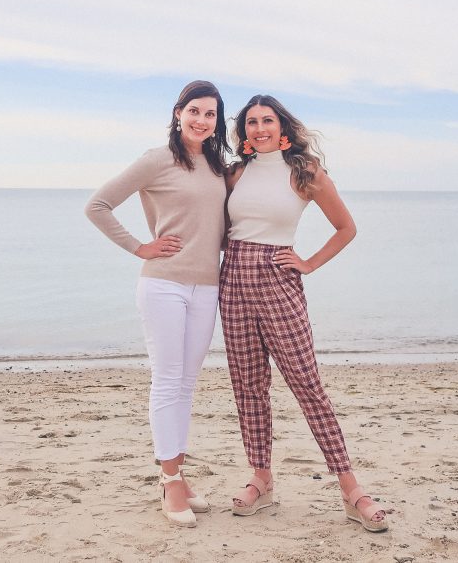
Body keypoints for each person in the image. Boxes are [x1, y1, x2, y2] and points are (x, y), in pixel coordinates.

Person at [220, 94, 388, 532]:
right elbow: (219, 230)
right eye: (251, 122)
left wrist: (309, 263)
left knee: (307, 384)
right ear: (244, 135)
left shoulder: (305, 171)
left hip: (279, 279)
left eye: (267, 120)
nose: (259, 128)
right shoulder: (235, 173)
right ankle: (261, 477)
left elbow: (346, 228)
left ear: (283, 129)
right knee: (249, 384)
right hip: (233, 278)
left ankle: (352, 489)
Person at [84, 80, 230, 528]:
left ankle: (179, 475)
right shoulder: (156, 159)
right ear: (177, 112)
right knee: (168, 382)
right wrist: (139, 247)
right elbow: (98, 205)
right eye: (195, 111)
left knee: (186, 385)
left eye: (210, 114)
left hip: (208, 287)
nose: (202, 120)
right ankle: (169, 481)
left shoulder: (217, 165)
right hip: (164, 284)